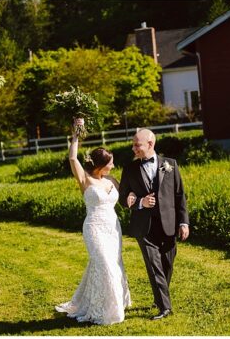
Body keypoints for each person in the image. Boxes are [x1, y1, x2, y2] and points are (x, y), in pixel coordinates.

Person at [55, 118, 132, 325]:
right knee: (103, 263)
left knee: (113, 264)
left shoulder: (112, 180)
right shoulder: (85, 179)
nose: (113, 165)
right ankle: (105, 310)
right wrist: (76, 134)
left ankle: (110, 303)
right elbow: (73, 158)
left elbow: (126, 197)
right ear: (100, 165)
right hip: (94, 228)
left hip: (113, 228)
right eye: (110, 163)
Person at [119, 129, 190, 320]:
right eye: (133, 145)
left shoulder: (170, 164)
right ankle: (165, 307)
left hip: (169, 225)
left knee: (167, 265)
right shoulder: (129, 169)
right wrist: (140, 202)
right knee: (154, 265)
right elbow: (122, 198)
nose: (133, 148)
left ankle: (160, 298)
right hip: (144, 227)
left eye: (137, 145)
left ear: (150, 144)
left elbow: (179, 195)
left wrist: (184, 222)